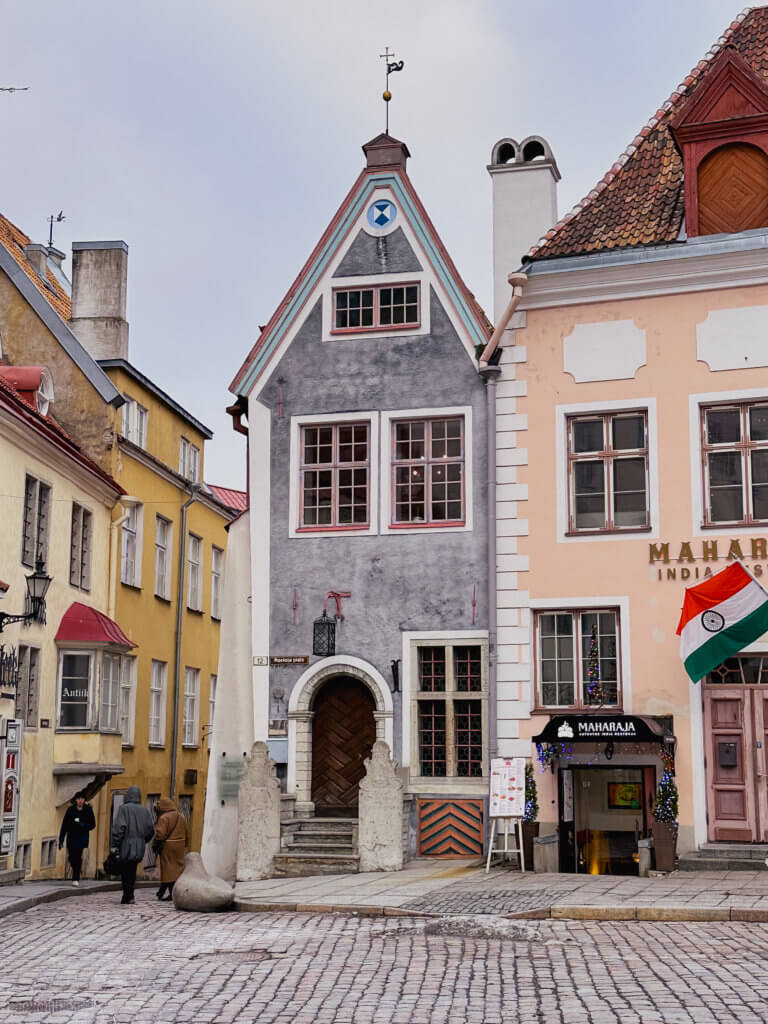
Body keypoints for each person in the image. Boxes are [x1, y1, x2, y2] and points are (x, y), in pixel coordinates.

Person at [110, 785, 154, 905]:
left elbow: (119, 828)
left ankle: (127, 895)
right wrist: (142, 840)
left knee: (125, 871)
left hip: (126, 844)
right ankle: (130, 895)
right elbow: (150, 830)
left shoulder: (124, 809)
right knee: (132, 870)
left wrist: (115, 844)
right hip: (139, 845)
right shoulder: (144, 810)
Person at [152, 797, 188, 901]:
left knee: (168, 870)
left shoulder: (164, 818)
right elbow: (186, 831)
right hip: (180, 846)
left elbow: (160, 834)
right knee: (177, 870)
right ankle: (162, 891)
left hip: (168, 847)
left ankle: (172, 893)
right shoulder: (181, 816)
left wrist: (155, 843)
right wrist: (185, 844)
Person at [58, 791, 95, 887]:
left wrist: (83, 825)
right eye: (78, 799)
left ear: (84, 800)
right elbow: (64, 825)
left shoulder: (88, 810)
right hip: (71, 836)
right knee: (71, 857)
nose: (80, 801)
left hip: (81, 837)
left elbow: (92, 824)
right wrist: (61, 839)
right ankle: (76, 871)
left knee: (78, 857)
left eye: (82, 799)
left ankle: (75, 878)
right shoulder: (70, 810)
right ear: (75, 800)